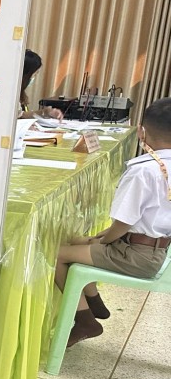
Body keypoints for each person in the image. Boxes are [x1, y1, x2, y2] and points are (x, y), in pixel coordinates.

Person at [54, 98, 171, 347]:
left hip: (136, 254)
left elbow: (123, 223)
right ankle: (95, 303)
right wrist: (100, 238)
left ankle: (85, 321)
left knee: (56, 255)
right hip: (155, 248)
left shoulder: (144, 170)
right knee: (81, 243)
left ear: (141, 131)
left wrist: (104, 239)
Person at [18, 49, 63, 120]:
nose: (33, 78)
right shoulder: (12, 93)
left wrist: (46, 112)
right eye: (34, 74)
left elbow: (21, 114)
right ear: (26, 74)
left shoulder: (20, 93)